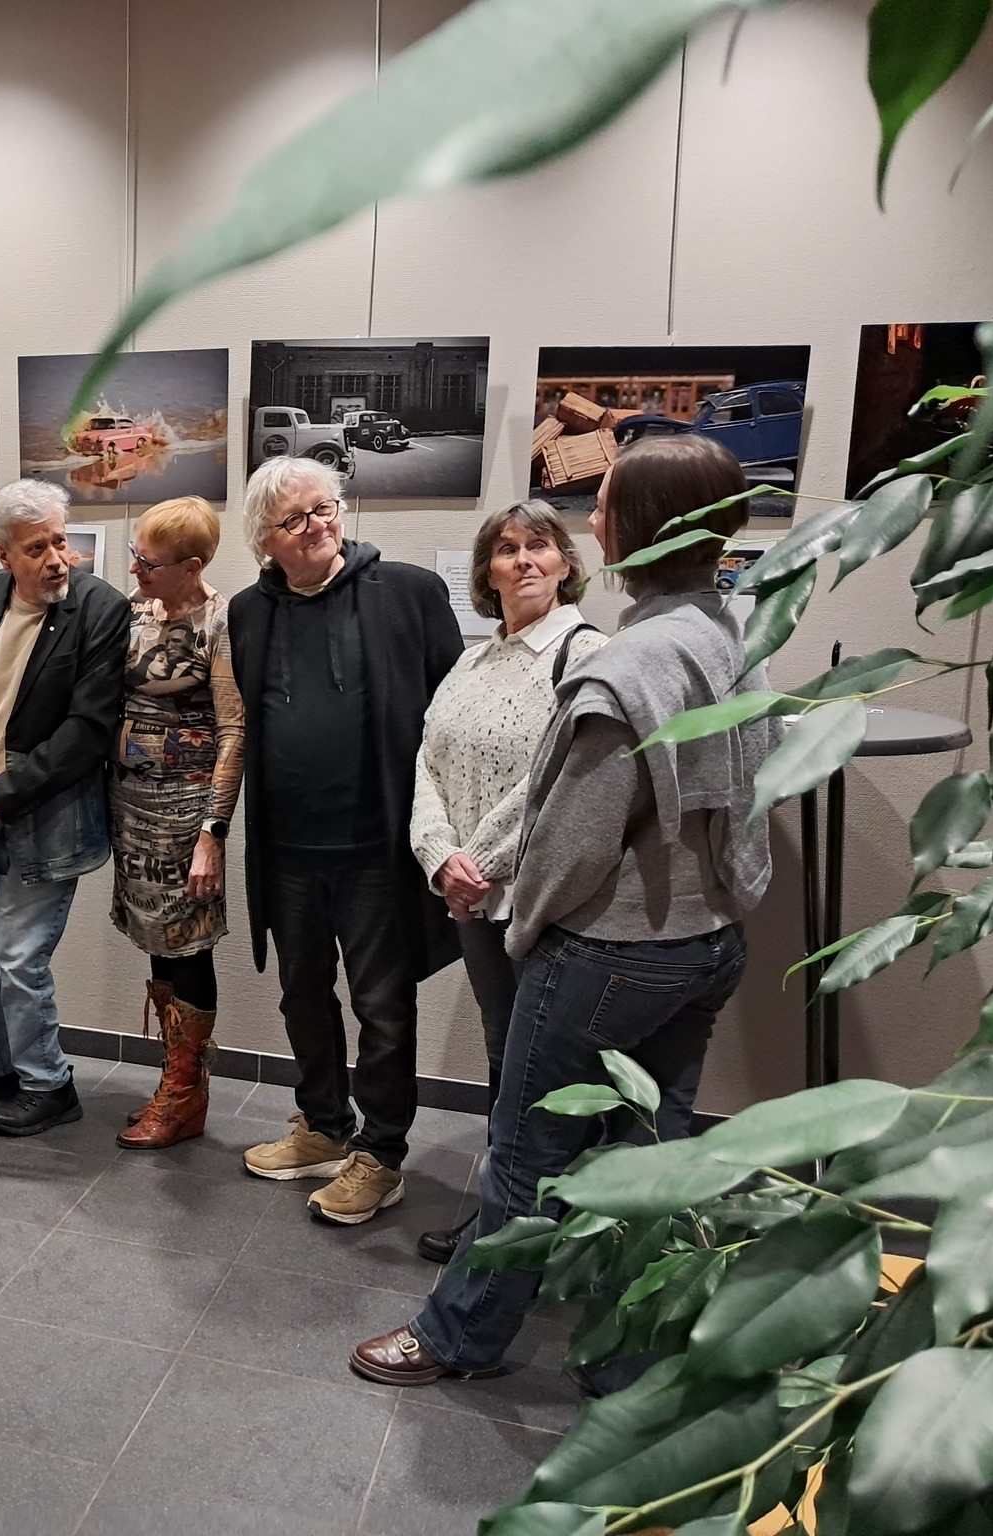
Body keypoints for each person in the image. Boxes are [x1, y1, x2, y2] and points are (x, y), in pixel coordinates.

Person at [351, 434, 780, 1386]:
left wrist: (526, 926)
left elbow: (573, 838)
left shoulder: (624, 664)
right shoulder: (733, 632)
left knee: (524, 1151)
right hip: (707, 940)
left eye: (604, 503)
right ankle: (627, 1357)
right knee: (650, 1147)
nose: (592, 518)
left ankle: (459, 1336)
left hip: (613, 952)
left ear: (641, 526)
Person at [229, 455, 462, 1223]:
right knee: (302, 994)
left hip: (375, 852)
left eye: (324, 508)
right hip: (288, 852)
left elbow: (449, 722)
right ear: (265, 539)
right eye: (294, 519)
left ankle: (382, 1155)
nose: (316, 527)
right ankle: (325, 1126)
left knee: (382, 1006)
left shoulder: (410, 593)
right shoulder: (249, 612)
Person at [406, 501, 606, 1262]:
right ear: (486, 572)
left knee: (543, 1064)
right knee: (505, 1052)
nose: (524, 560)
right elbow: (426, 760)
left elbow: (565, 778)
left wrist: (477, 865)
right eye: (507, 548)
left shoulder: (587, 654)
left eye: (540, 546)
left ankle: (536, 1223)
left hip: (540, 900)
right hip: (469, 897)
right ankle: (510, 1212)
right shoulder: (471, 661)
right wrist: (439, 856)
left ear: (565, 563)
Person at [0, 478, 131, 1136]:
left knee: (18, 960)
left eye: (61, 542)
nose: (56, 560)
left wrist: (3, 792)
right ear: (4, 554)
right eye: (36, 548)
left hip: (47, 821)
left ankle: (47, 1083)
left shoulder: (100, 608)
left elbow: (88, 729)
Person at [109, 497, 244, 1150]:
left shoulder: (220, 620)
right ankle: (176, 1084)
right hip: (133, 810)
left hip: (188, 817)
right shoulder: (135, 613)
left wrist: (213, 834)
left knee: (188, 946)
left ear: (192, 567)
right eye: (135, 554)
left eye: (150, 562)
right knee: (159, 945)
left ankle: (185, 1092)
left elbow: (234, 730)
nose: (135, 569)